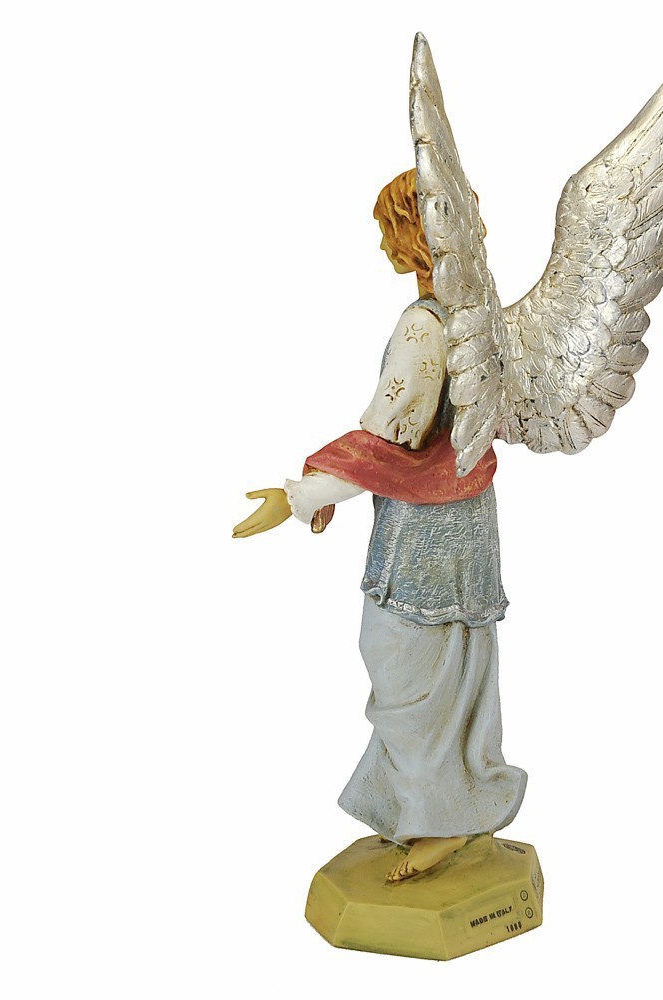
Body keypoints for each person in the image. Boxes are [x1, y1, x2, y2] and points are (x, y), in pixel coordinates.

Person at [234, 170, 526, 881]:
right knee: (446, 663)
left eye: (388, 227)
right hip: (461, 520)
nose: (381, 243)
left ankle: (443, 818)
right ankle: (442, 806)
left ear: (416, 232)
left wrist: (296, 496)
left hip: (427, 532)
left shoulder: (426, 326)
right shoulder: (479, 314)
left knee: (404, 661)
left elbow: (392, 443)